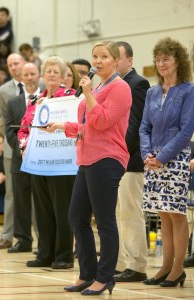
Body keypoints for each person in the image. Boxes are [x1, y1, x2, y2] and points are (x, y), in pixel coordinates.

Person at [45, 41, 132, 295]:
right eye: (95, 56)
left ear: (116, 61)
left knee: (104, 221)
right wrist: (62, 126)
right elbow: (88, 126)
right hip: (86, 158)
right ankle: (87, 273)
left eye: (104, 56)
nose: (97, 61)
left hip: (107, 159)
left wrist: (89, 94)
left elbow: (103, 122)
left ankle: (105, 277)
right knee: (76, 217)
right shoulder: (98, 86)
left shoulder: (120, 88)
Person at [140, 37, 194, 288]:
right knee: (163, 214)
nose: (161, 63)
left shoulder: (188, 90)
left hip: (176, 158)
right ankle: (165, 267)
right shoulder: (151, 91)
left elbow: (185, 132)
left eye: (166, 59)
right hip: (153, 160)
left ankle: (177, 269)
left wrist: (162, 158)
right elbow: (144, 127)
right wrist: (148, 155)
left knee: (176, 214)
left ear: (178, 61)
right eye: (158, 59)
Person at [18, 57, 76, 266]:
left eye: (55, 71)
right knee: (42, 210)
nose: (51, 74)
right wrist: (24, 148)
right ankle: (45, 254)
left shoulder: (71, 97)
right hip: (38, 160)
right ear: (43, 75)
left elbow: (76, 125)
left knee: (62, 210)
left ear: (63, 76)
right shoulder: (35, 101)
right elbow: (24, 128)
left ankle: (63, 256)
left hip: (62, 162)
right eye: (48, 71)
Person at [113, 41, 150, 282]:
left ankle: (137, 265)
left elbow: (134, 125)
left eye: (118, 58)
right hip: (113, 158)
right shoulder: (111, 86)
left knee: (130, 212)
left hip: (130, 159)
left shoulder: (138, 83)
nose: (114, 62)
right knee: (114, 214)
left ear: (130, 60)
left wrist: (119, 152)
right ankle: (118, 262)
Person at [6, 62, 40, 254]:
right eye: (26, 74)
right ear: (21, 78)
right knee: (21, 202)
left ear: (39, 76)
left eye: (33, 74)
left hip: (41, 159)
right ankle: (23, 240)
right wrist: (23, 150)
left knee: (42, 202)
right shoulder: (13, 103)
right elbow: (9, 130)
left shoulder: (47, 100)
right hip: (20, 159)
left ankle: (43, 240)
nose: (29, 77)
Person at [0, 53, 25, 250]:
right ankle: (7, 234)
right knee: (11, 193)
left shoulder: (38, 83)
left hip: (37, 147)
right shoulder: (3, 90)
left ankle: (38, 234)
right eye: (10, 64)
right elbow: (6, 120)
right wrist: (15, 143)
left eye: (17, 63)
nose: (14, 67)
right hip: (11, 147)